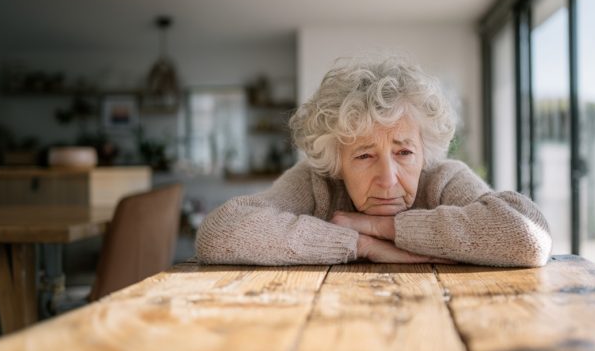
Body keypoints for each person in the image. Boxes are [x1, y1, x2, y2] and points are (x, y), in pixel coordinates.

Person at [196, 56, 551, 266]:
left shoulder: (444, 178)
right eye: (364, 155)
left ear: (424, 151)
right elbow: (220, 232)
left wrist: (383, 229)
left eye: (404, 152)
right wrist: (359, 244)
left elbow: (528, 235)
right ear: (336, 161)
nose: (388, 179)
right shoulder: (315, 182)